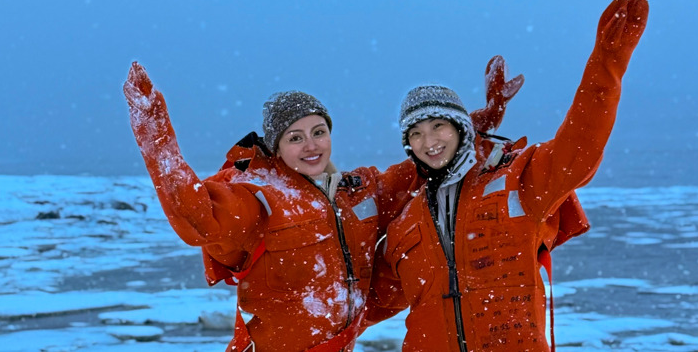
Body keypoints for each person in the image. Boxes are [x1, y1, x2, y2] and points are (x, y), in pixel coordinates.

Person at [122, 58, 523, 351]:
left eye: (318, 132)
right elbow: (197, 217)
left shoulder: (357, 191)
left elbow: (426, 161)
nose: (311, 145)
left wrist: (475, 123)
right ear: (276, 147)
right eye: (295, 138)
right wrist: (156, 137)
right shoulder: (257, 196)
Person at [382, 0, 649, 351]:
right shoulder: (404, 222)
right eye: (415, 133)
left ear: (460, 128)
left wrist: (607, 64)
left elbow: (580, 148)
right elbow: (359, 304)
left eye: (438, 126)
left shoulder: (517, 180)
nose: (428, 141)